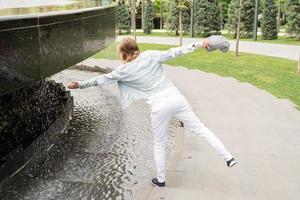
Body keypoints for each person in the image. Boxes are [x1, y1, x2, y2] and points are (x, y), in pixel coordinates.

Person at [67, 36, 237, 188]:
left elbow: (101, 80)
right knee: (201, 129)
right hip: (176, 98)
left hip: (159, 105)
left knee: (159, 143)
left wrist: (80, 85)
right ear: (135, 47)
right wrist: (200, 43)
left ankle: (161, 180)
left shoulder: (123, 71)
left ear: (123, 53)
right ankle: (228, 157)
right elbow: (175, 52)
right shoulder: (150, 55)